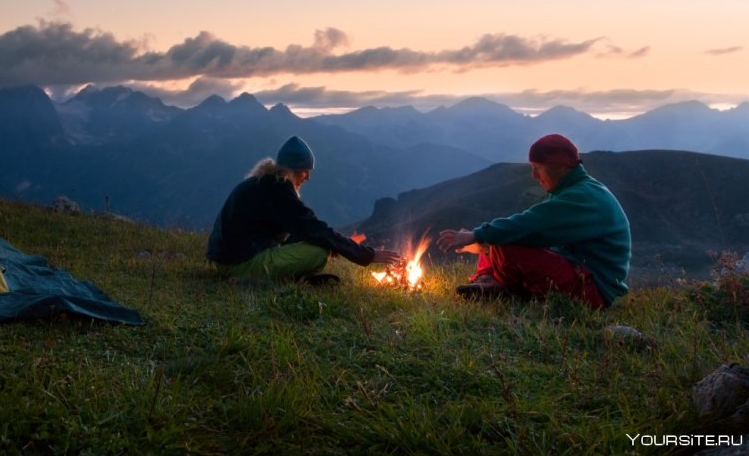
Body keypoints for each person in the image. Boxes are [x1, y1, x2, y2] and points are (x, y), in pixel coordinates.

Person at [436, 134, 631, 308]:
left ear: (560, 167)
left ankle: (500, 287)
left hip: (592, 288)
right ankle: (488, 281)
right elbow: (537, 233)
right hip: (580, 271)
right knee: (499, 238)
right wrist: (483, 242)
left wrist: (474, 235)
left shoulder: (582, 197)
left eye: (538, 168)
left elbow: (529, 225)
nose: (534, 175)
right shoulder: (574, 190)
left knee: (504, 241)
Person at [207, 135, 402, 283]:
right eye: (305, 171)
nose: (307, 177)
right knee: (318, 252)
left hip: (228, 258)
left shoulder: (265, 183)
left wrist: (336, 244)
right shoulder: (278, 191)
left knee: (315, 240)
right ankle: (276, 280)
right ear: (292, 170)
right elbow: (313, 227)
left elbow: (302, 228)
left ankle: (295, 279)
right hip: (239, 265)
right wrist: (366, 254)